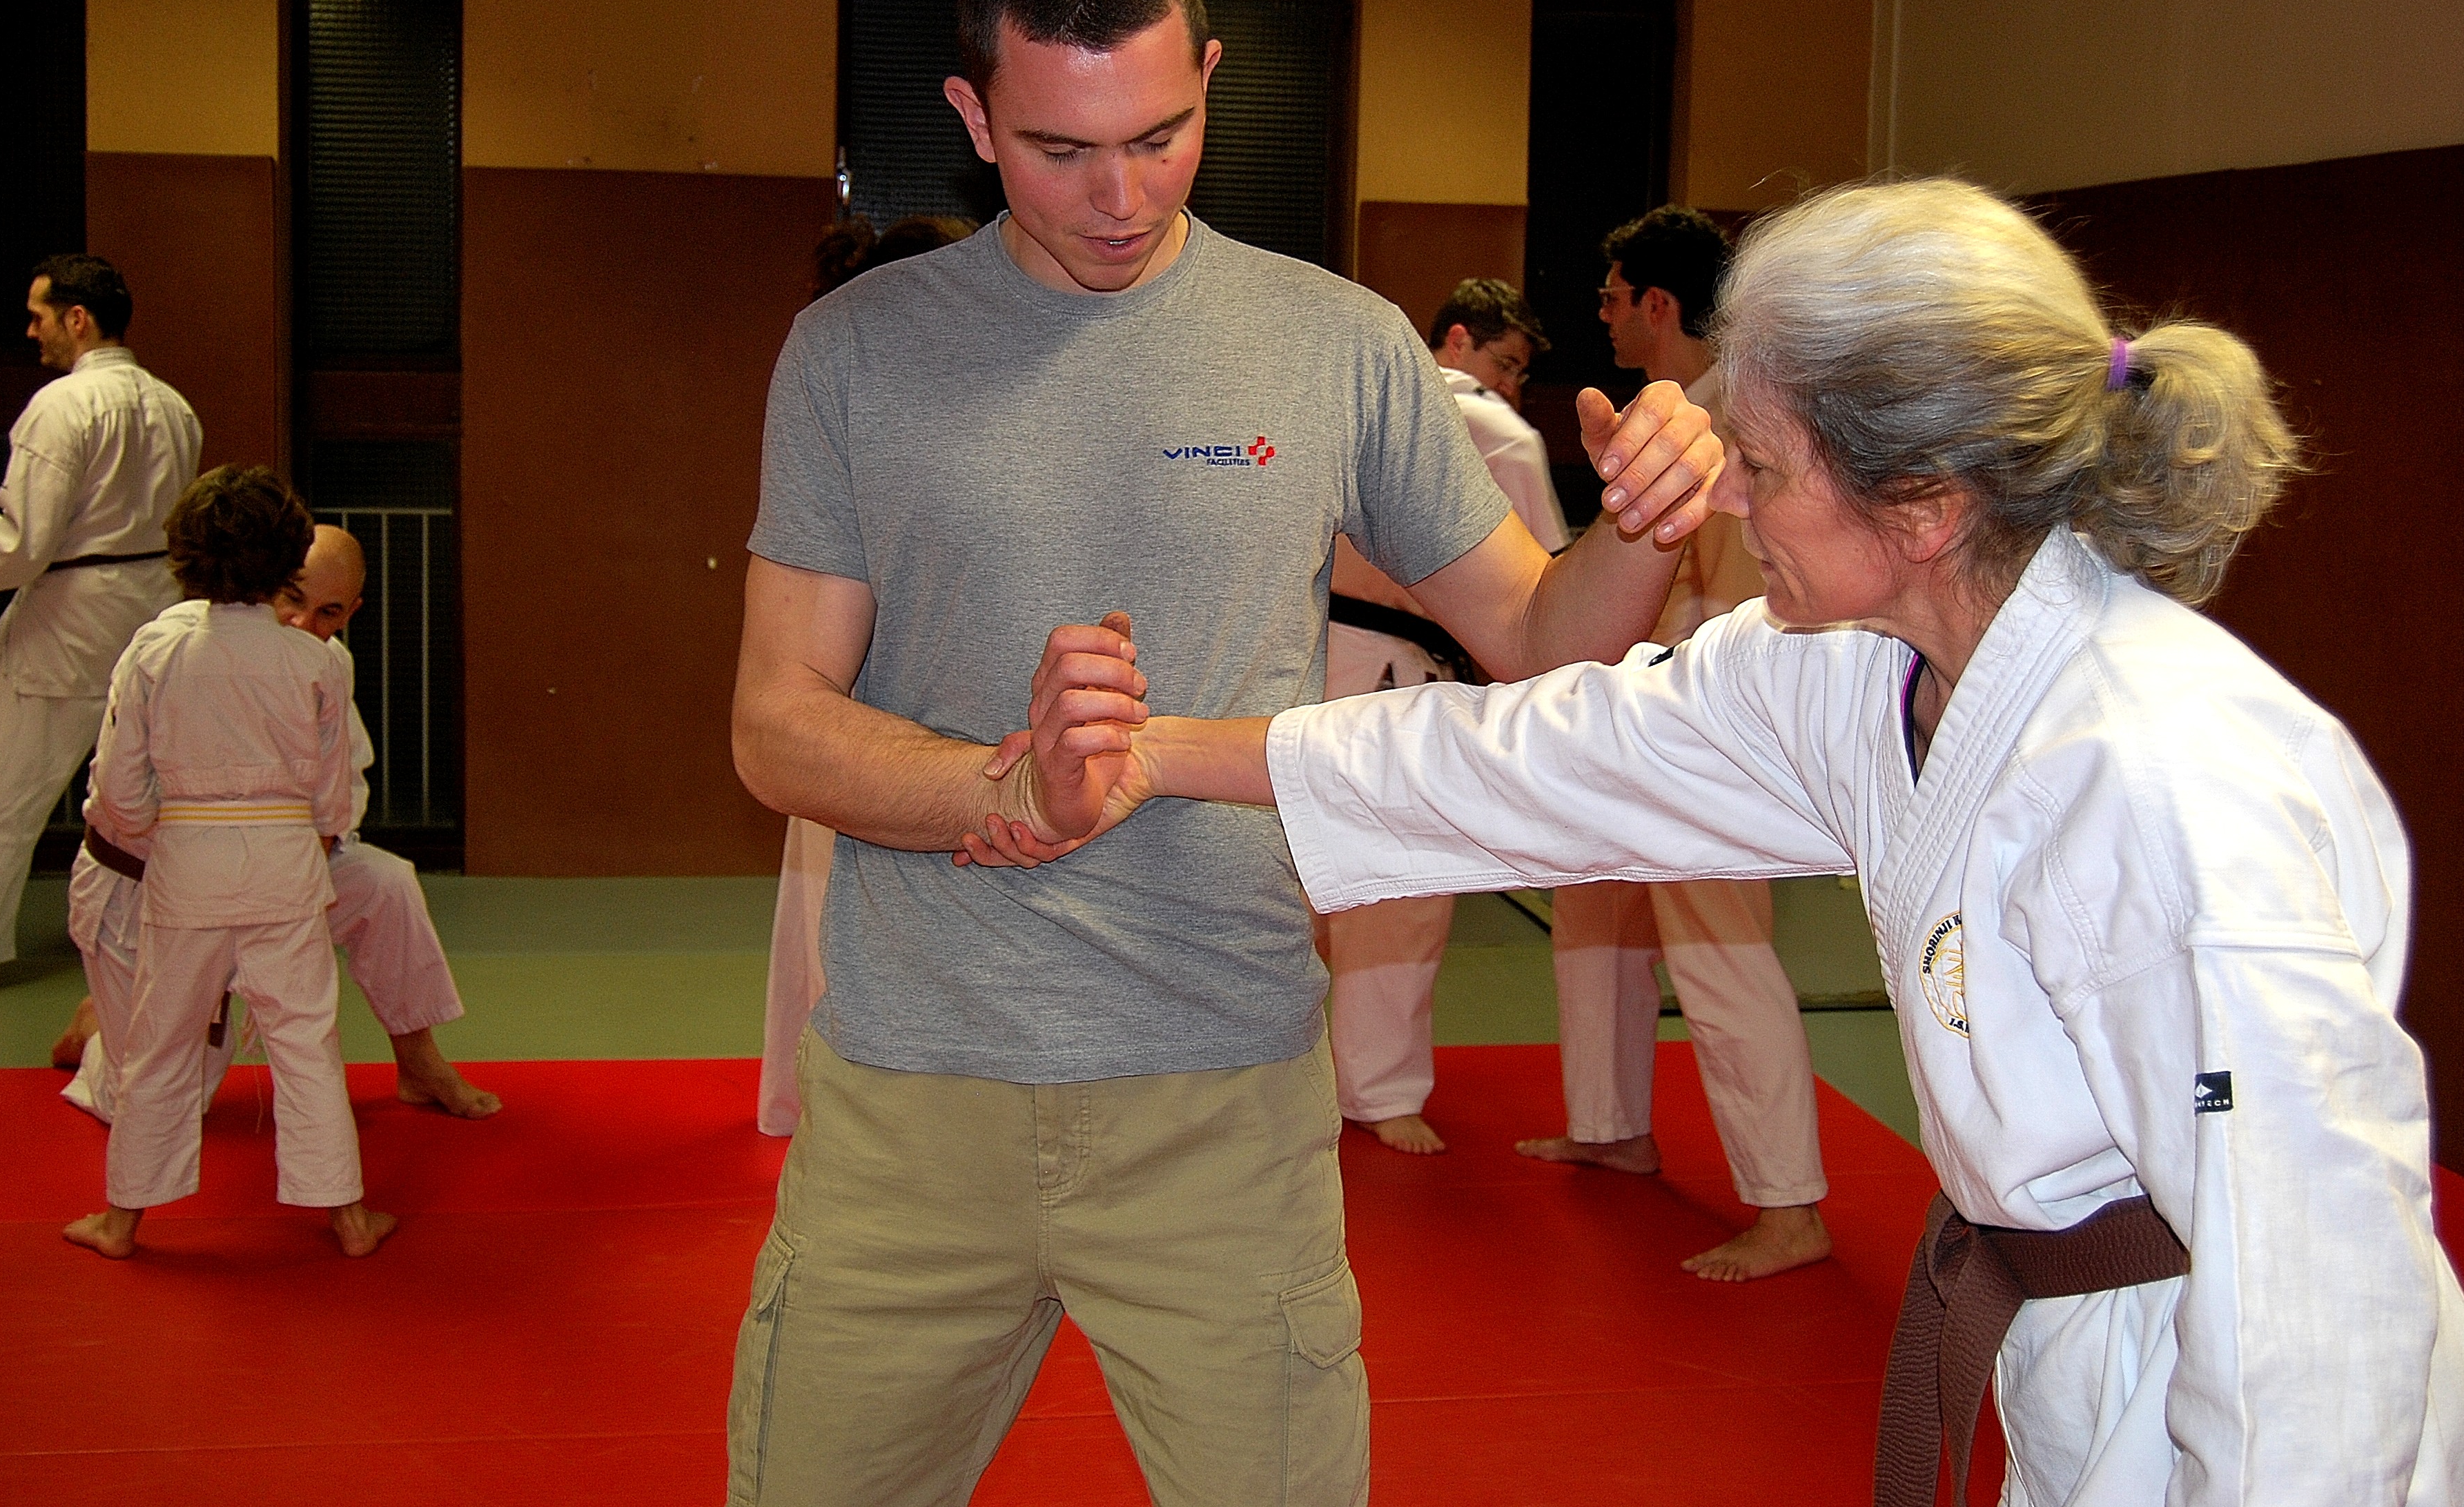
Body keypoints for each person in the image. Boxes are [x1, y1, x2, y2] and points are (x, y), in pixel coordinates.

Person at [991, 176, 2463, 1507]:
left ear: (1920, 503)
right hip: (2075, 1366)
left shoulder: (2156, 777)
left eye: (1759, 463)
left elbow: (2313, 1312)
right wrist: (1165, 754)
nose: (1728, 500)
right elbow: (1535, 757)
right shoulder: (1860, 668)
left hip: (2234, 1404)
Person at [724, 0, 1720, 1506]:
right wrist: (1004, 789)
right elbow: (777, 715)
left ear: (1207, 76)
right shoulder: (855, 353)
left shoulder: (1332, 344)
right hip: (915, 1094)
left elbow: (1541, 634)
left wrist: (1644, 525)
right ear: (972, 114)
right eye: (1058, 150)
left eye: (1159, 136)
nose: (1119, 197)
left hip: (1222, 1091)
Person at [1516, 206, 1833, 1283]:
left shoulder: (1739, 415)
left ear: (1657, 302)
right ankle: (1608, 1123)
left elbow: (1739, 591)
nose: (1601, 315)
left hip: (1712, 721)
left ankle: (1788, 1204)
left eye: (1612, 297)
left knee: (1718, 946)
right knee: (1590, 904)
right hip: (1631, 706)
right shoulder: (1669, 414)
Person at [53, 523, 498, 1124]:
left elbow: (341, 796)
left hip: (270, 876)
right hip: (150, 885)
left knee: (384, 883)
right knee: (163, 1103)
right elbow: (122, 804)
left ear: (351, 613)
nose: (304, 623)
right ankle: (97, 1032)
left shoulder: (325, 663)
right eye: (293, 598)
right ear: (264, 583)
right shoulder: (174, 649)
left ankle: (419, 1061)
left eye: (329, 612)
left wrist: (286, 889)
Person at [64, 466, 395, 1261]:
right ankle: (348, 1217)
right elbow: (331, 799)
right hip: (286, 867)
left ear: (184, 551)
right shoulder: (315, 662)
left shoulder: (159, 649)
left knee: (161, 1045)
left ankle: (122, 1221)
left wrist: (176, 829)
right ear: (286, 555)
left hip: (188, 868)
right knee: (306, 1042)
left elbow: (120, 791)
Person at [1320, 277, 1568, 1154]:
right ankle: (1377, 1087)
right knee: (1401, 889)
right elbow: (1546, 582)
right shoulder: (1498, 433)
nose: (1510, 384)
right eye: (1505, 362)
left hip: (1304, 661)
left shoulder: (1349, 394)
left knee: (1293, 878)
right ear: (1455, 340)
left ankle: (1283, 1068)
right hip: (1399, 677)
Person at [759, 214, 977, 1139]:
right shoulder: (839, 393)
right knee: (847, 953)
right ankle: (842, 1110)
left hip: (947, 743)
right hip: (860, 743)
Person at [0, 256, 199, 970]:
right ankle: (162, 942)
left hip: (65, 629)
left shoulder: (61, 406)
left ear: (78, 318)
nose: (31, 331)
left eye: (38, 316)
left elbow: (20, 545)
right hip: (152, 620)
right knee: (143, 799)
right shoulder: (174, 407)